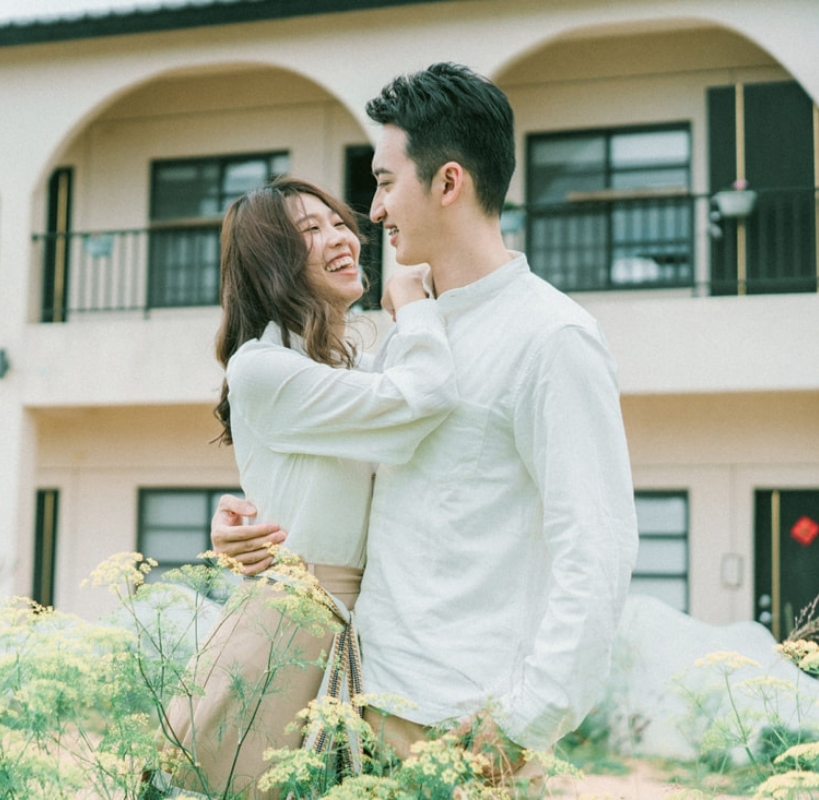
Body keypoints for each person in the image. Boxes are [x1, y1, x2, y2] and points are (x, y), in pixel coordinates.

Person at [211, 62, 640, 784]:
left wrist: (524, 724)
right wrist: (251, 527)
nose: (371, 213)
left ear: (447, 183)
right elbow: (341, 481)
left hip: (463, 728)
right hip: (355, 707)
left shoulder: (551, 337)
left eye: (383, 182)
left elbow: (595, 548)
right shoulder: (401, 341)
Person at [158, 176, 458, 799]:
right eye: (309, 231)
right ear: (273, 264)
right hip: (284, 631)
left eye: (338, 221)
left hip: (346, 624)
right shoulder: (262, 367)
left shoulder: (345, 365)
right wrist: (416, 304)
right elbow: (423, 397)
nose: (342, 238)